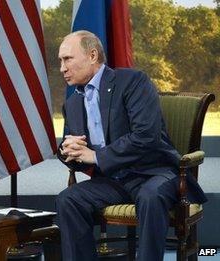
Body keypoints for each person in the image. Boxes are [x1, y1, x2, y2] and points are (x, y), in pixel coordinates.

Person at [55, 30, 206, 261]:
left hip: (156, 172)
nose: (62, 68)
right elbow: (74, 151)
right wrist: (66, 151)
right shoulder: (73, 102)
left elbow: (146, 135)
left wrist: (95, 157)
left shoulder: (132, 81)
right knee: (68, 199)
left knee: (149, 196)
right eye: (60, 61)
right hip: (113, 180)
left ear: (92, 55)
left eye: (68, 59)